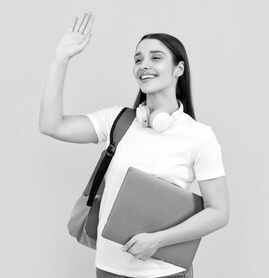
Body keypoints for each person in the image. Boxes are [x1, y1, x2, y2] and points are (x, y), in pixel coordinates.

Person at [39, 12, 230, 278]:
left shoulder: (199, 136)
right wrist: (61, 58)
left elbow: (218, 212)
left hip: (165, 272)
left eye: (156, 57)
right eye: (138, 59)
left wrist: (158, 240)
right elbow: (51, 125)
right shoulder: (117, 120)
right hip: (109, 269)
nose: (143, 64)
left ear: (179, 69)